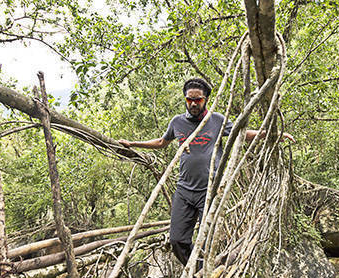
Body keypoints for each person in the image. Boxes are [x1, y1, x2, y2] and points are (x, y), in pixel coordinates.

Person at [119, 78, 293, 265]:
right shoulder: (177, 122)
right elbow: (162, 142)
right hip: (184, 190)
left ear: (206, 99)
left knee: (207, 239)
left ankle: (210, 272)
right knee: (177, 240)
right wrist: (132, 144)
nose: (193, 103)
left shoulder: (217, 120)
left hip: (209, 190)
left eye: (198, 100)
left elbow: (242, 134)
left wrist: (273, 134)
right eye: (189, 100)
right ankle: (198, 270)